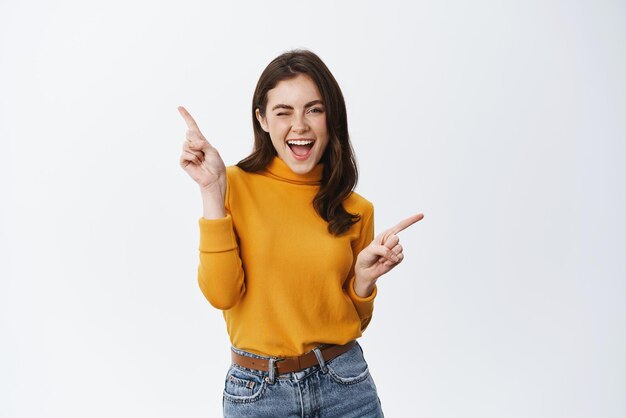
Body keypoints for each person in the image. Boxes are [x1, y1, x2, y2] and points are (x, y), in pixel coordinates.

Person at [179, 49, 423, 417]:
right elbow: (221, 293)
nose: (300, 126)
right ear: (262, 119)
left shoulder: (357, 209)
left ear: (331, 117)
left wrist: (362, 281)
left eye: (314, 109)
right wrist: (211, 193)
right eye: (283, 112)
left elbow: (354, 322)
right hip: (258, 394)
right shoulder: (231, 185)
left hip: (346, 385)